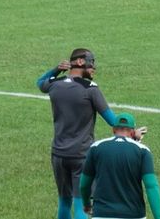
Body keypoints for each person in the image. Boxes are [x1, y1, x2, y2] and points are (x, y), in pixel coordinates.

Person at [37, 48, 120, 219]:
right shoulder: (90, 89)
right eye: (91, 62)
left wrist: (56, 69)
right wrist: (133, 131)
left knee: (64, 201)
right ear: (81, 62)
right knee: (81, 204)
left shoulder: (55, 85)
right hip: (81, 155)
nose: (94, 67)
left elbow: (40, 82)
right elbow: (113, 121)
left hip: (58, 154)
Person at [80, 113, 160, 219]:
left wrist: (87, 204)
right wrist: (158, 217)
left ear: (113, 130)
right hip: (134, 215)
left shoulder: (96, 147)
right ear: (132, 132)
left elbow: (84, 185)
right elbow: (151, 186)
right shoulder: (143, 150)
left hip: (102, 214)